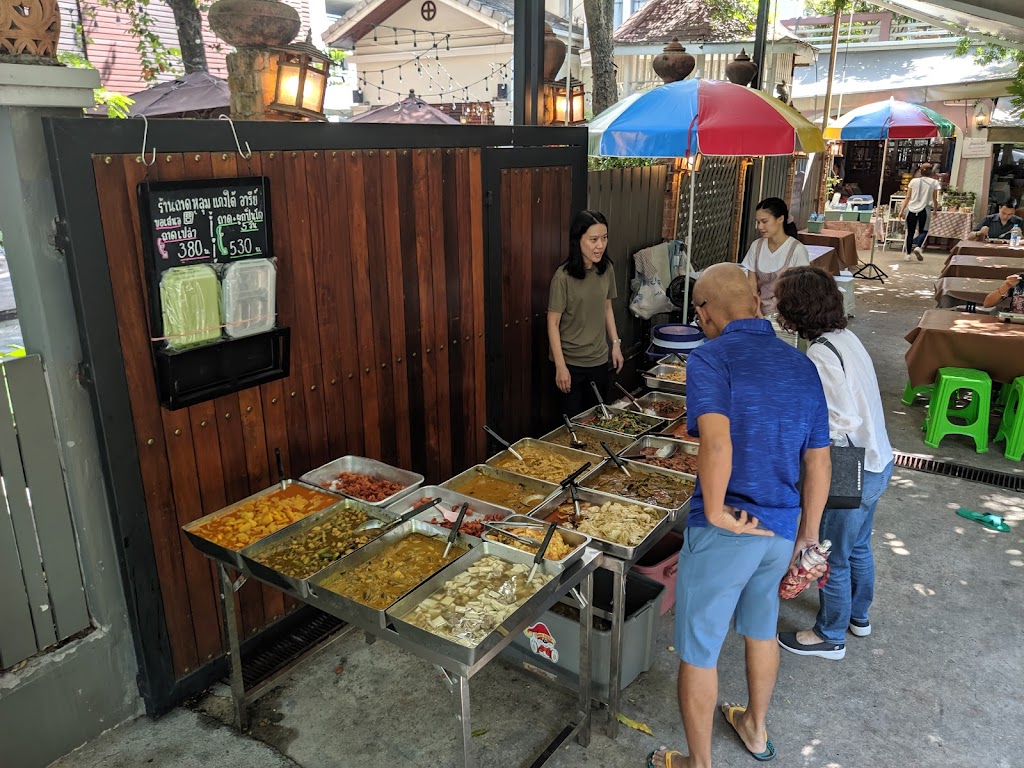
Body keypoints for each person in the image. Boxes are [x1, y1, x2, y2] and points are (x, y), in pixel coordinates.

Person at [648, 264, 831, 768]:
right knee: (761, 627)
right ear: (755, 300)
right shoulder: (802, 366)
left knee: (699, 648)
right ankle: (754, 727)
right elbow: (818, 461)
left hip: (728, 528)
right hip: (783, 527)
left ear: (704, 313)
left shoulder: (710, 357)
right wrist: (808, 537)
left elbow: (716, 440)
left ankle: (697, 762)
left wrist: (713, 511)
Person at [772, 267, 894, 662]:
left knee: (833, 556)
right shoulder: (845, 337)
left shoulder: (822, 352)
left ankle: (829, 636)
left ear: (797, 309)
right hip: (878, 461)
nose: (778, 309)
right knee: (858, 546)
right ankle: (858, 616)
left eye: (782, 303)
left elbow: (840, 420)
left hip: (849, 467)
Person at [546, 210, 623, 418]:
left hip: (598, 361)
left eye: (604, 238)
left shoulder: (606, 269)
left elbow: (607, 308)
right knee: (573, 428)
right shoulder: (562, 277)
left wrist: (615, 344)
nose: (600, 245)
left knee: (598, 420)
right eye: (593, 239)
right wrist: (560, 367)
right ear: (577, 240)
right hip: (570, 364)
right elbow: (552, 323)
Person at [740, 198, 810, 317]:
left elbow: (802, 290)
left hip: (787, 315)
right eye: (758, 222)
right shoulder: (756, 246)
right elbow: (751, 284)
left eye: (764, 221)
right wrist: (757, 311)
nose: (760, 227)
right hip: (757, 311)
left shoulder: (797, 250)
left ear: (781, 219)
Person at [898, 163, 941, 262]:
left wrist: (901, 211)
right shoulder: (934, 183)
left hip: (911, 209)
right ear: (931, 173)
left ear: (920, 172)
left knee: (910, 232)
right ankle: (918, 246)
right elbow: (935, 198)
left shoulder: (913, 181)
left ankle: (908, 255)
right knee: (924, 231)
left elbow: (908, 197)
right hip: (925, 209)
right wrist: (934, 210)